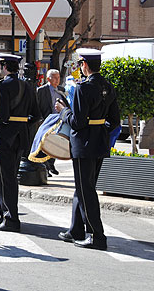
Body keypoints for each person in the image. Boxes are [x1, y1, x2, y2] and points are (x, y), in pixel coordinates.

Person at [55, 48, 120, 251]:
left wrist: (63, 111)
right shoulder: (108, 86)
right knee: (83, 187)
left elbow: (77, 122)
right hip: (99, 142)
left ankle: (96, 236)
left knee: (86, 191)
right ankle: (76, 229)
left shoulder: (84, 88)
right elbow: (115, 120)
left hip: (83, 144)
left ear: (84, 65)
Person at [0, 52, 40, 233]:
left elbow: (1, 116)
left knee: (5, 180)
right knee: (10, 178)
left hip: (5, 138)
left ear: (5, 66)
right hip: (20, 137)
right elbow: (36, 115)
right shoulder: (27, 86)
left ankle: (11, 218)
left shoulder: (1, 86)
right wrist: (20, 121)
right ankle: (5, 215)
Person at [36, 69, 68, 176]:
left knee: (55, 143)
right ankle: (45, 166)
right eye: (54, 77)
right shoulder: (41, 90)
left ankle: (51, 164)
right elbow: (37, 105)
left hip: (58, 121)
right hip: (46, 120)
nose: (57, 80)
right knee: (44, 144)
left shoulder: (61, 90)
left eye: (58, 77)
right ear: (48, 78)